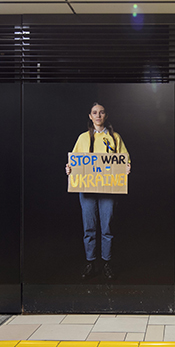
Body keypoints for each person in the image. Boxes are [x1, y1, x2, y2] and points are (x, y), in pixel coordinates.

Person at [65, 103, 131, 280]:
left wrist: (126, 168)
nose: (98, 115)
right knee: (89, 227)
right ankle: (90, 262)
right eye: (95, 113)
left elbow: (125, 159)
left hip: (108, 189)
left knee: (107, 227)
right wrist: (69, 169)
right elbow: (74, 161)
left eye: (101, 112)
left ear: (106, 115)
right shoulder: (83, 138)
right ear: (90, 116)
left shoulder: (115, 137)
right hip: (87, 189)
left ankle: (107, 263)